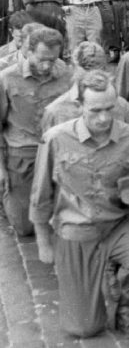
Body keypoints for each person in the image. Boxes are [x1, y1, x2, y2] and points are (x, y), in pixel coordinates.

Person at [29, 71, 129, 343]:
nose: (103, 118)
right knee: (84, 329)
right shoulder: (56, 139)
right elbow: (41, 194)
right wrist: (43, 243)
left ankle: (126, 311)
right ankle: (101, 280)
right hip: (76, 230)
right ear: (78, 106)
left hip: (117, 224)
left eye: (109, 109)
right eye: (95, 110)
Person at [0, 27, 72, 236]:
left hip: (58, 151)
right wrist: (1, 169)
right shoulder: (7, 79)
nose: (47, 65)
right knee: (25, 228)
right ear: (28, 51)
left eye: (53, 59)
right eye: (42, 59)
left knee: (63, 220)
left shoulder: (66, 74)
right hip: (23, 153)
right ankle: (10, 197)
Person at [42, 42, 129, 133]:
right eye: (88, 68)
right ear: (72, 68)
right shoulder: (56, 111)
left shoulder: (122, 107)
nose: (93, 76)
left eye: (99, 69)